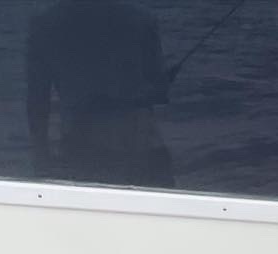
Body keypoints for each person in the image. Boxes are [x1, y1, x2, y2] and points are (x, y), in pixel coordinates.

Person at [25, 0, 174, 187]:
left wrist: (41, 158)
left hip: (82, 143)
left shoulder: (44, 22)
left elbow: (37, 99)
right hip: (141, 143)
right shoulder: (142, 17)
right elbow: (160, 91)